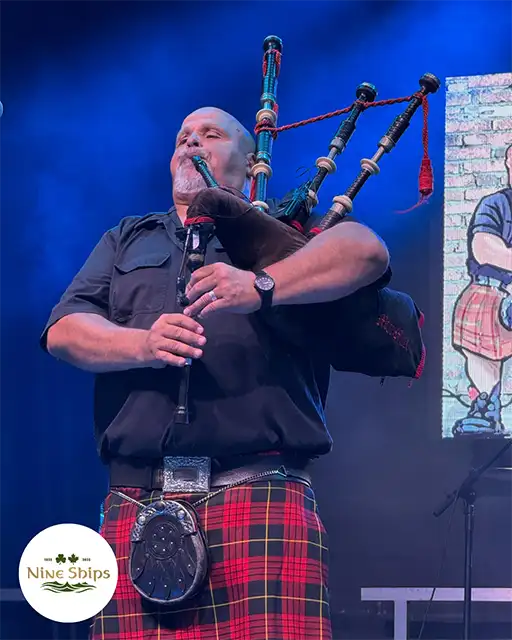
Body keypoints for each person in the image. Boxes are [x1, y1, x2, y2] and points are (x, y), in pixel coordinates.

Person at [41, 106, 389, 639]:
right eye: (182, 137)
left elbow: (367, 253)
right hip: (138, 501)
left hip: (259, 497)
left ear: (252, 166)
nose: (191, 143)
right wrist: (142, 343)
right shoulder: (128, 238)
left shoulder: (282, 232)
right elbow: (64, 330)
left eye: (209, 135)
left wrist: (261, 285)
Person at [452, 143, 512, 436]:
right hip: (494, 293)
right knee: (480, 310)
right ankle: (487, 408)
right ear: (509, 163)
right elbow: (484, 249)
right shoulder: (495, 204)